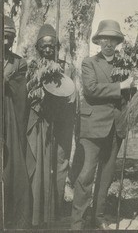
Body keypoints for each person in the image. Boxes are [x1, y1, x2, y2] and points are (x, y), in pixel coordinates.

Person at [71, 20, 134, 230]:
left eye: (113, 39)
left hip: (116, 128)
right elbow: (91, 89)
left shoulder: (124, 65)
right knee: (86, 175)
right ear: (98, 41)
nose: (108, 43)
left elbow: (128, 95)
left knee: (106, 178)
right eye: (104, 38)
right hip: (93, 127)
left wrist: (134, 87)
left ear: (117, 42)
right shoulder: (89, 63)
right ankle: (77, 222)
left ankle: (97, 218)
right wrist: (121, 85)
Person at [25, 24, 77, 227]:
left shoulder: (66, 67)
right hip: (41, 122)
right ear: (38, 47)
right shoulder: (32, 68)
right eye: (44, 46)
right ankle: (39, 212)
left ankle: (56, 209)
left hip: (62, 122)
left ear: (57, 47)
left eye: (52, 46)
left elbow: (73, 94)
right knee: (42, 165)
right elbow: (27, 95)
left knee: (61, 164)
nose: (48, 50)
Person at [3, 15, 31, 228]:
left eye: (10, 37)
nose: (6, 42)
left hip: (9, 120)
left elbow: (19, 93)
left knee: (11, 167)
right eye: (3, 36)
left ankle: (13, 218)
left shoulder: (19, 62)